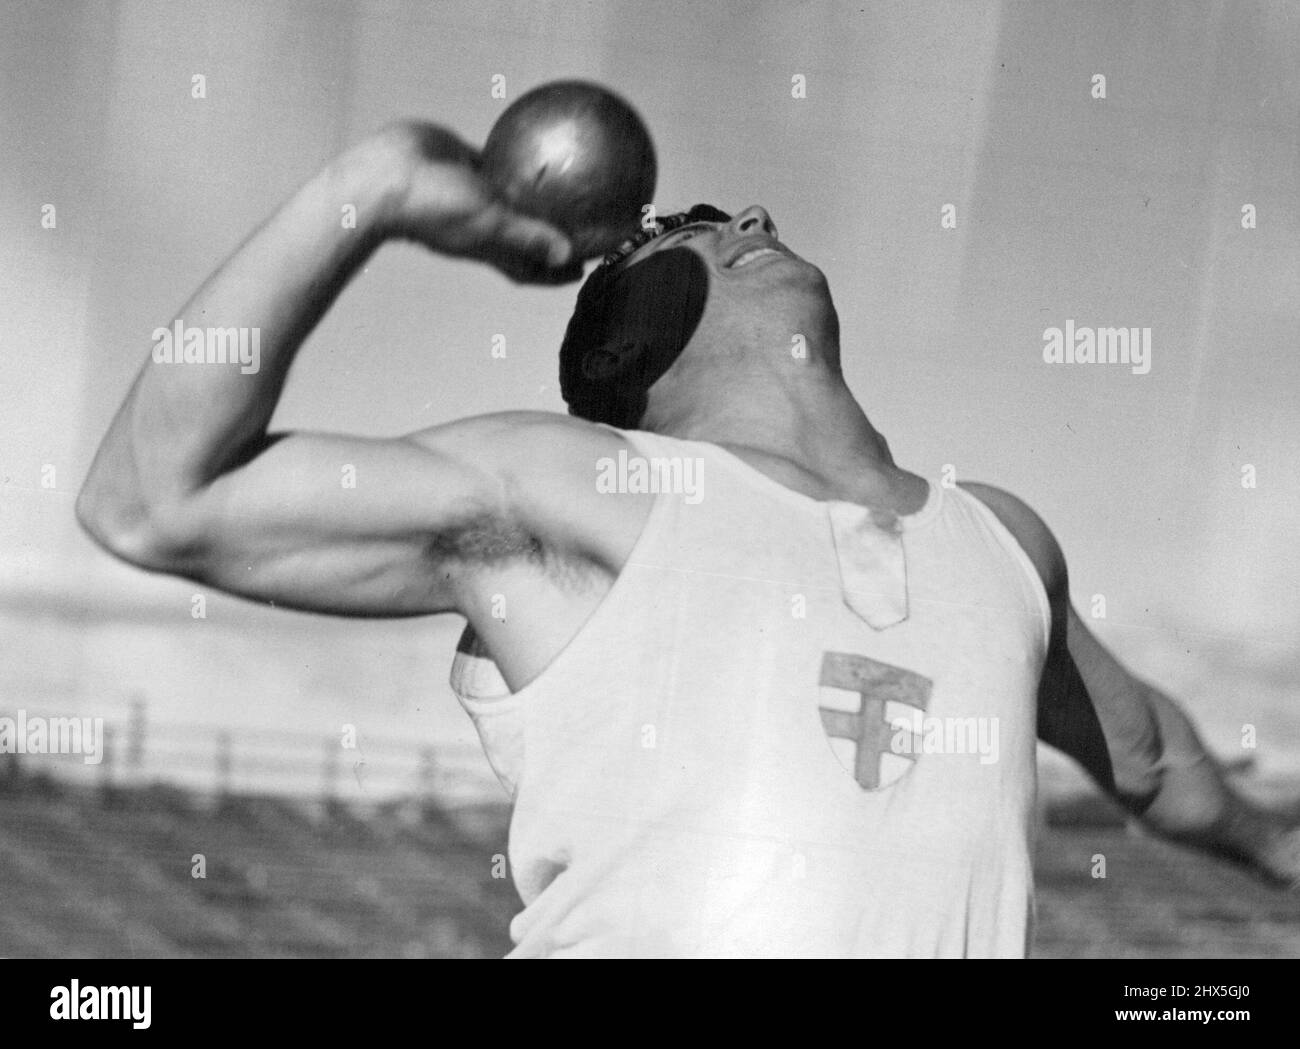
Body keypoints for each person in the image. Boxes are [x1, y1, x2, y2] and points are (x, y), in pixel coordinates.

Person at [77, 120, 1300, 957]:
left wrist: (1278, 847)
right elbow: (150, 500)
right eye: (700, 221)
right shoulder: (578, 484)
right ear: (633, 339)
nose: (752, 214)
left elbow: (1143, 756)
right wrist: (379, 184)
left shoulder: (1001, 540)